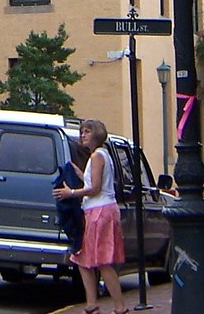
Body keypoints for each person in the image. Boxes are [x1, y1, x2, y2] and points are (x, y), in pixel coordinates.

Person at [52, 120, 128, 314]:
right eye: (82, 132)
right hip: (99, 210)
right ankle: (91, 304)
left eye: (87, 132)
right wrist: (76, 172)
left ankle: (120, 306)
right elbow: (93, 181)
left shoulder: (97, 156)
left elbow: (94, 188)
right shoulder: (101, 156)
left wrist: (71, 193)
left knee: (103, 261)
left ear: (96, 135)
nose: (83, 135)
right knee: (82, 258)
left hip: (99, 211)